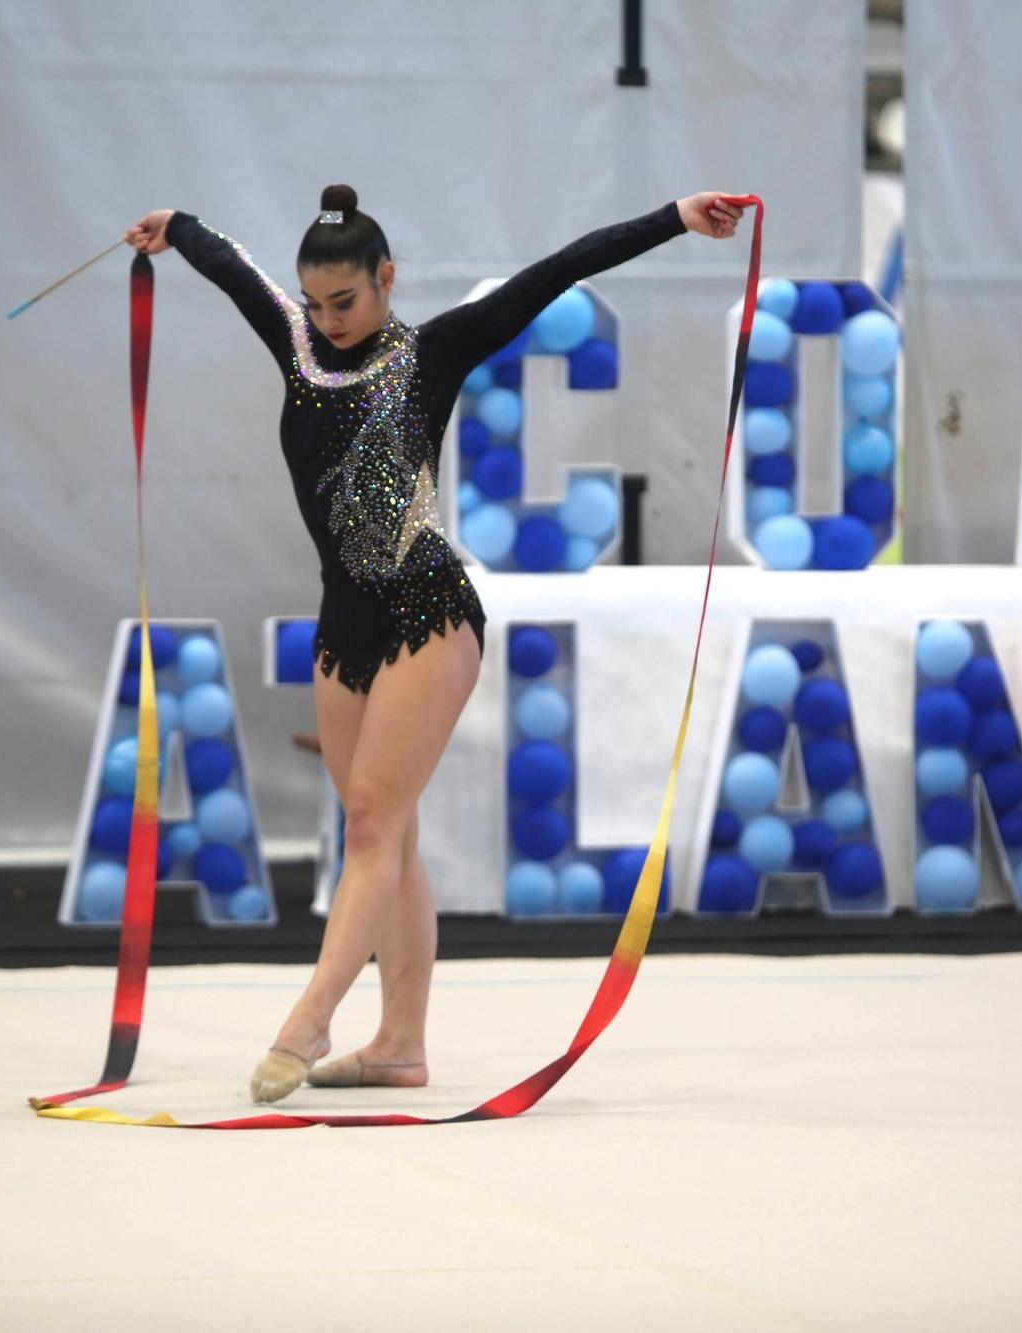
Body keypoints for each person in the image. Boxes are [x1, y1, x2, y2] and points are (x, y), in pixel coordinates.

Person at [123, 185, 742, 1103]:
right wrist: (174, 229)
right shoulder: (297, 346)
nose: (330, 321)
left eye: (349, 301)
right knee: (387, 833)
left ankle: (309, 1018)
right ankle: (399, 1046)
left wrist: (674, 218)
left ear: (387, 279)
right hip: (346, 626)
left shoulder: (433, 353)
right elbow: (228, 267)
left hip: (429, 610)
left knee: (371, 820)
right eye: (318, 302)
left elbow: (559, 269)